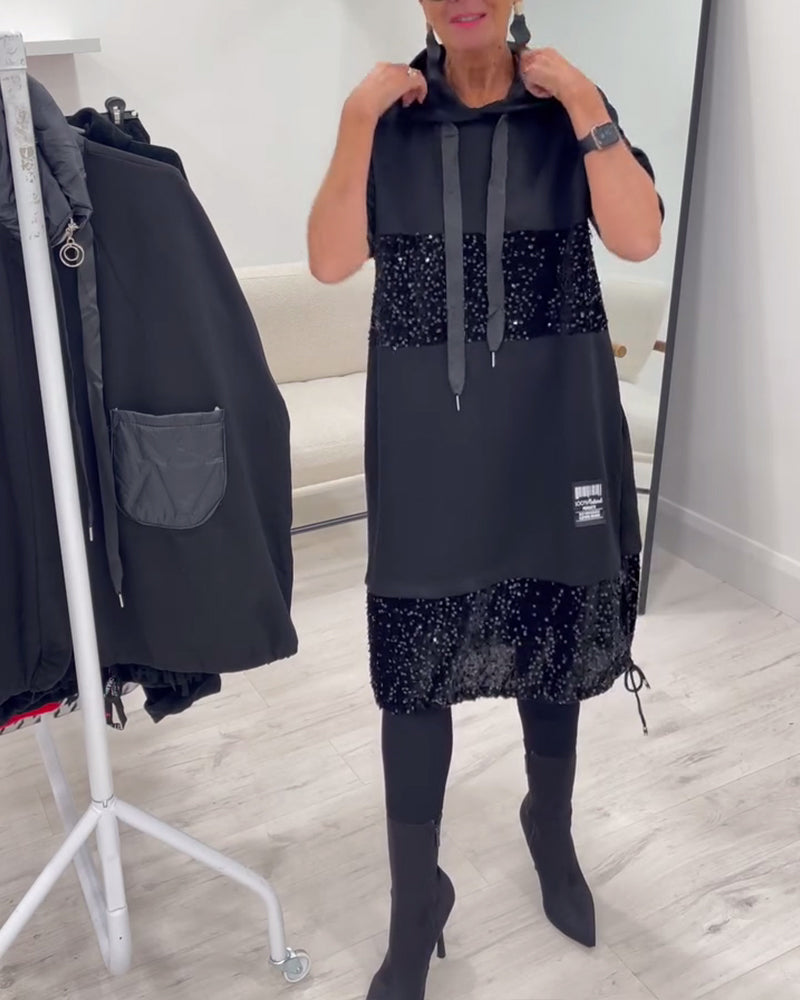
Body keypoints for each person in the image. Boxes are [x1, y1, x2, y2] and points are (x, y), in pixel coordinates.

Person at [308, 1, 663, 996]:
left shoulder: (566, 107)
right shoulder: (388, 118)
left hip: (555, 424)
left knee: (549, 624)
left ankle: (548, 828)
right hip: (428, 437)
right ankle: (413, 904)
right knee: (414, 664)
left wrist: (584, 100)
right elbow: (331, 261)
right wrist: (354, 120)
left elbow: (637, 237)